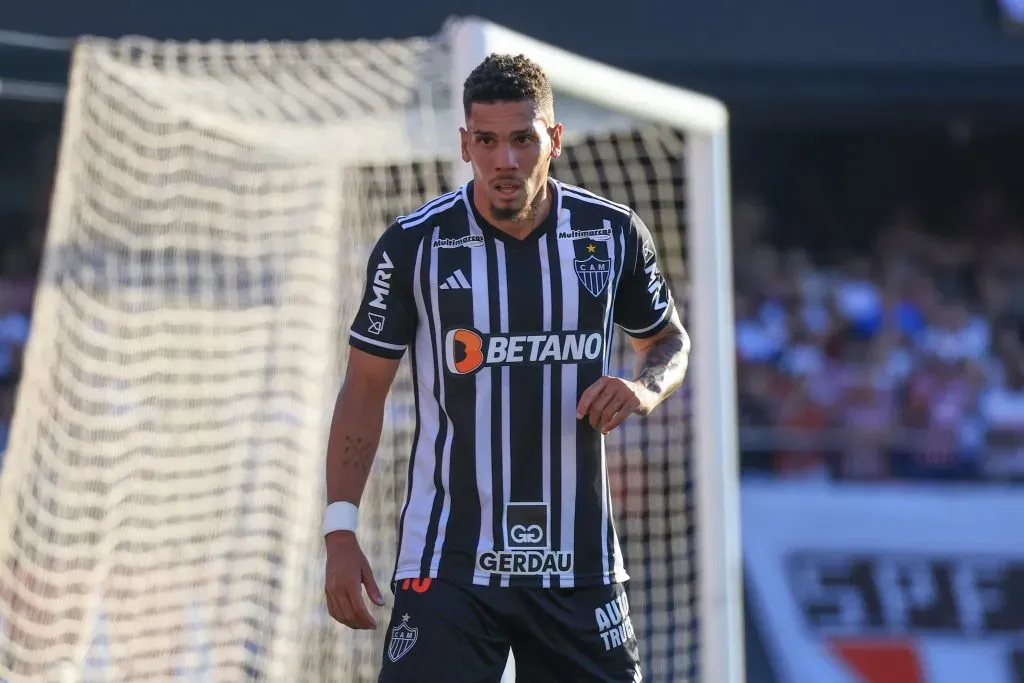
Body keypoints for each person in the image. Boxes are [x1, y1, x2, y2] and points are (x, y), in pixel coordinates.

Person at [323, 52, 690, 683]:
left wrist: (641, 388)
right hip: (450, 562)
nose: (506, 160)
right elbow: (363, 391)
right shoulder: (415, 246)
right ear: (465, 145)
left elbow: (667, 341)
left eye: (523, 139)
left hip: (580, 567)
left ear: (554, 139)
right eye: (488, 142)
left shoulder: (611, 234)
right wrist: (339, 529)